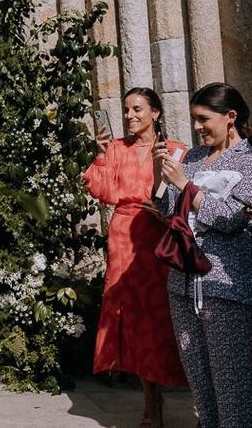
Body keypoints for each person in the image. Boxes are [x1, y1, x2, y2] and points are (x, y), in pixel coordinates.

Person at [154, 82, 252, 428]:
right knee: (203, 393)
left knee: (234, 393)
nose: (197, 127)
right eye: (193, 119)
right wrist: (159, 174)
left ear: (230, 117)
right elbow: (168, 210)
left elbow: (231, 219)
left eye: (204, 119)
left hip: (227, 289)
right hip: (183, 287)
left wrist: (185, 186)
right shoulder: (191, 157)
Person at [83, 88, 187, 427]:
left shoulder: (175, 150)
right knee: (136, 318)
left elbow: (188, 196)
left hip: (162, 239)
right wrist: (99, 156)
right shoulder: (115, 149)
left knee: (169, 316)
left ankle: (194, 390)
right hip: (125, 240)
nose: (129, 115)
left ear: (155, 113)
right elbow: (102, 191)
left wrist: (170, 214)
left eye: (137, 109)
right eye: (126, 110)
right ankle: (150, 400)